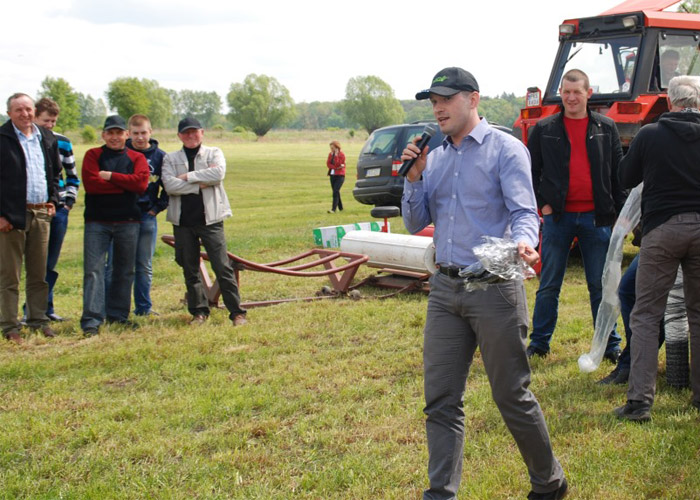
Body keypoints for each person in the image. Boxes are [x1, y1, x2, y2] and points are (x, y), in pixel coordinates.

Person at [402, 67, 567, 500]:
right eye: (432, 100)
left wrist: (525, 244)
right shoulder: (434, 158)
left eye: (445, 98)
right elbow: (416, 221)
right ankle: (441, 492)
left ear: (473, 99)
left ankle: (549, 483)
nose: (437, 107)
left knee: (511, 394)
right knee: (440, 399)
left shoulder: (505, 150)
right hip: (445, 290)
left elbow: (524, 212)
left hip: (494, 288)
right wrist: (414, 177)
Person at [615, 75, 700, 421]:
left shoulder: (650, 134)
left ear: (669, 101)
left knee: (647, 314)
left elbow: (624, 177)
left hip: (662, 228)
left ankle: (639, 403)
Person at [527, 68, 625, 362]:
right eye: (566, 92)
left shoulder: (606, 127)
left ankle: (610, 345)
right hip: (558, 218)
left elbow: (618, 174)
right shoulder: (544, 130)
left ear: (588, 93)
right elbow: (530, 172)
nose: (571, 98)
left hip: (597, 219)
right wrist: (543, 205)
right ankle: (539, 344)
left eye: (576, 92)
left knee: (600, 285)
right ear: (561, 93)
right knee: (549, 285)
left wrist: (618, 214)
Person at [162, 117, 247, 327]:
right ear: (179, 136)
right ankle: (199, 312)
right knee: (190, 268)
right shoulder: (170, 158)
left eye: (194, 132)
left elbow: (218, 174)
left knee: (222, 266)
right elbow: (170, 186)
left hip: (211, 219)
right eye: (185, 133)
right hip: (183, 222)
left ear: (202, 132)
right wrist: (198, 185)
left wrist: (187, 176)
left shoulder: (214, 152)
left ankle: (237, 313)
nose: (190, 136)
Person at [80, 115, 149, 336]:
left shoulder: (136, 157)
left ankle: (118, 316)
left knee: (124, 271)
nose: (115, 137)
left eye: (119, 133)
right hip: (97, 221)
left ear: (126, 135)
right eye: (110, 133)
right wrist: (124, 184)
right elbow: (92, 185)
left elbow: (140, 184)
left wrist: (109, 176)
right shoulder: (93, 155)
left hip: (128, 221)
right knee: (94, 271)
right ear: (104, 135)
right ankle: (92, 319)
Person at [0, 93, 61, 343]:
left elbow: (55, 174)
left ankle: (38, 320)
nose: (24, 114)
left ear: (34, 110)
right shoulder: (3, 138)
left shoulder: (45, 137)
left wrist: (54, 201)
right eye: (18, 110)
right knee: (9, 274)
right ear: (9, 113)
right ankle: (9, 326)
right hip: (11, 217)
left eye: (28, 109)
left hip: (41, 213)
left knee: (39, 273)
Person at [105, 114, 168, 316]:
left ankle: (143, 307)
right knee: (115, 265)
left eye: (143, 133)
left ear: (150, 132)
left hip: (146, 216)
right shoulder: (121, 154)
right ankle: (111, 308)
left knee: (143, 265)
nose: (140, 137)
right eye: (135, 133)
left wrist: (155, 209)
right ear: (128, 134)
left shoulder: (161, 157)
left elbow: (167, 188)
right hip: (122, 216)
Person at [31, 97, 80, 322]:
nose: (50, 125)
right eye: (45, 121)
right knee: (30, 263)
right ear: (34, 117)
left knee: (50, 261)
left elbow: (72, 176)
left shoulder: (62, 142)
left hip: (58, 209)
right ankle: (26, 311)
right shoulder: (25, 142)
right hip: (31, 207)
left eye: (53, 121)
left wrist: (68, 203)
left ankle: (45, 307)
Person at [326, 140, 345, 213]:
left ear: (337, 148)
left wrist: (336, 156)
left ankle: (333, 209)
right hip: (332, 175)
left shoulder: (341, 155)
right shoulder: (330, 154)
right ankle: (341, 208)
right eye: (331, 148)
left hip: (340, 175)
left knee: (335, 191)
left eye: (333, 148)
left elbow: (339, 164)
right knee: (336, 191)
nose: (331, 150)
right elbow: (328, 163)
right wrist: (334, 167)